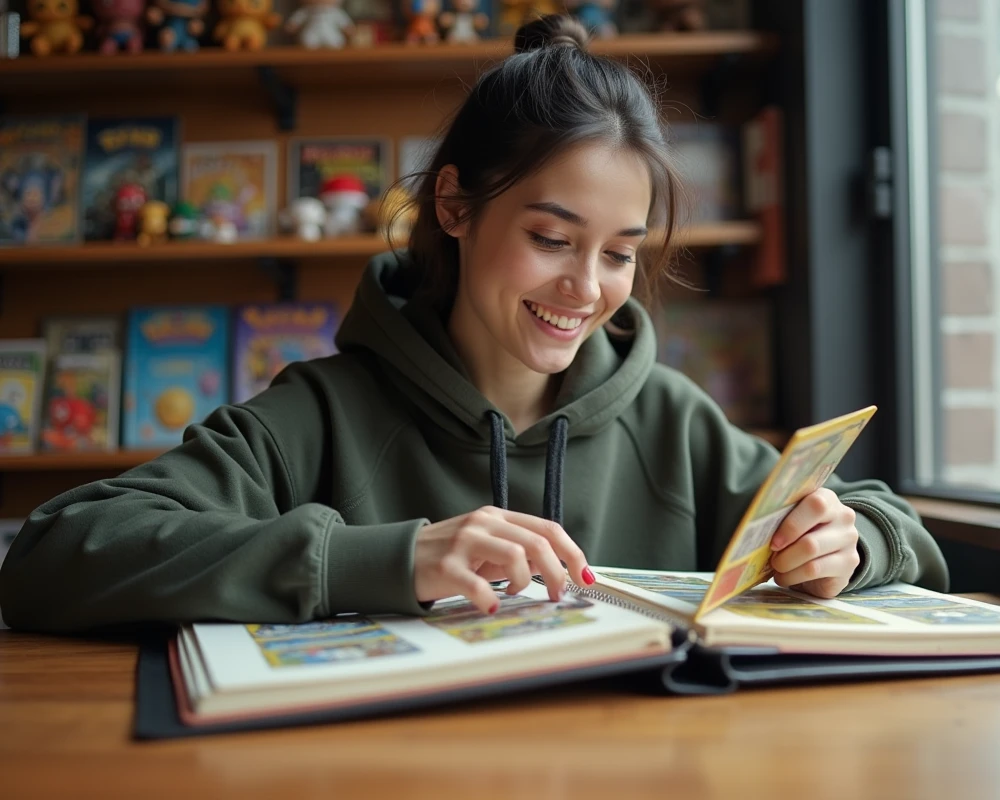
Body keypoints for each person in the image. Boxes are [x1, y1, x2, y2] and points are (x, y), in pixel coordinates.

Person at [0, 15, 948, 633]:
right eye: (550, 237)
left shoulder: (671, 418)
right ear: (453, 207)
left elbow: (896, 524)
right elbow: (54, 553)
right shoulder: (318, 415)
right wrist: (375, 556)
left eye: (619, 252)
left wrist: (852, 541)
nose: (585, 287)